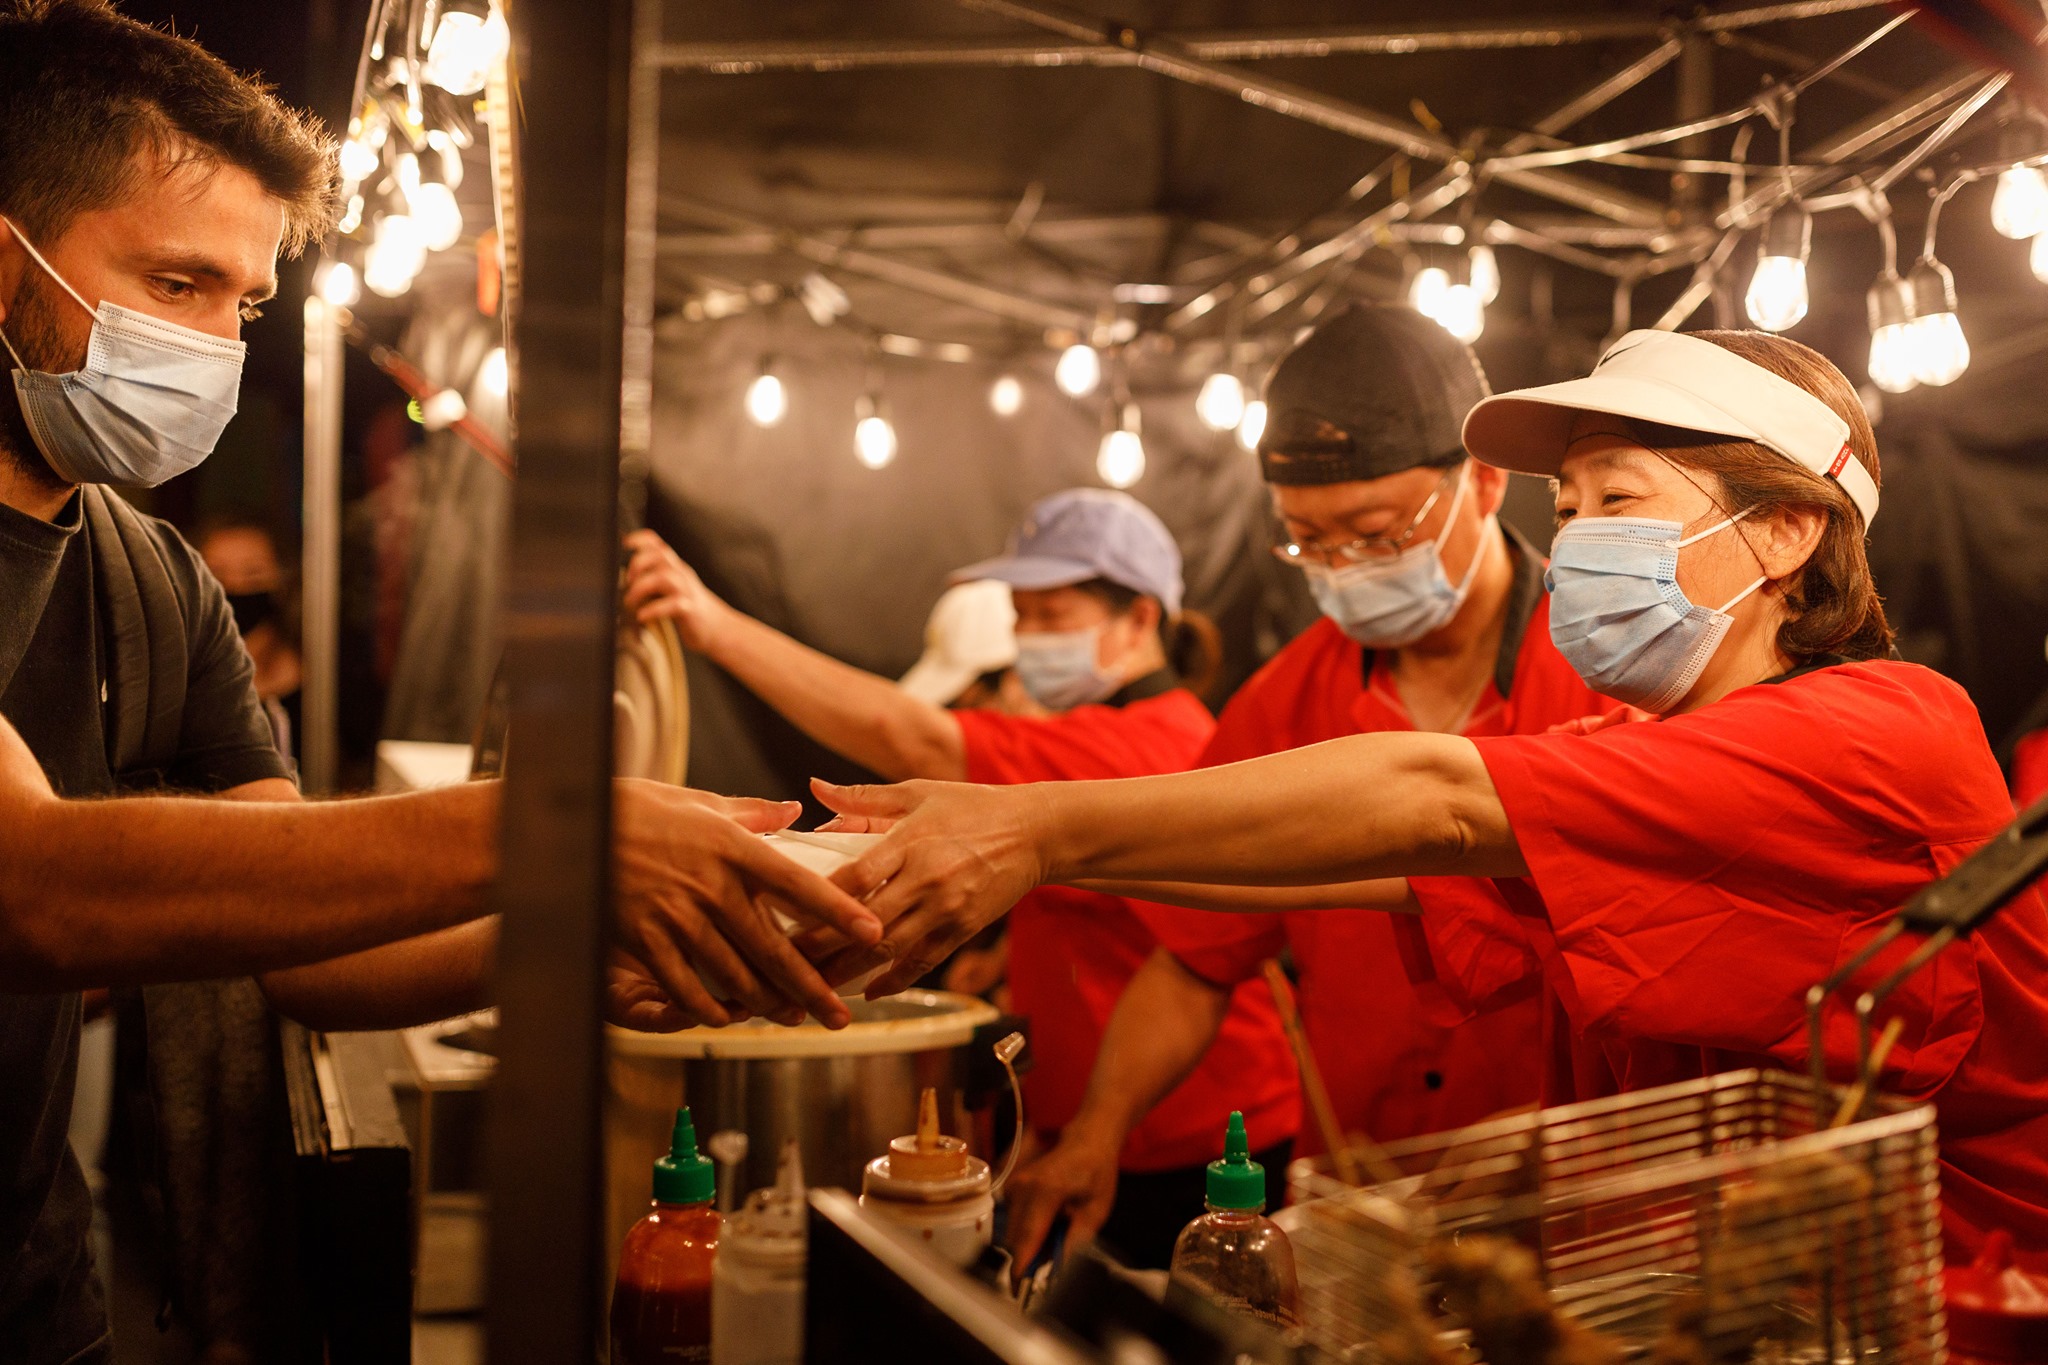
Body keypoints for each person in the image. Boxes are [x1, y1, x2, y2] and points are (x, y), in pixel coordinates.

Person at [0, 5, 876, 1359]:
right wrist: (561, 838)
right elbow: (36, 885)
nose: (215, 351)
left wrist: (593, 940)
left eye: (242, 305)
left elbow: (297, 936)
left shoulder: (152, 585)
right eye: (174, 286)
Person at [814, 329, 2048, 1270]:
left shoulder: (1881, 727)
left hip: (1958, 1301)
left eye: (1619, 501)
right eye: (1565, 511)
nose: (1574, 543)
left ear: (1784, 532)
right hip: (1733, 1292)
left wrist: (1034, 826)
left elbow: (1436, 803)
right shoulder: (1637, 741)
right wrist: (1031, 854)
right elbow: (1356, 869)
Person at [1004, 306, 1618, 1267]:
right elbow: (1196, 958)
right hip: (1357, 1204)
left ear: (1487, 484)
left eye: (1374, 534)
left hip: (1589, 1206)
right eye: (1308, 542)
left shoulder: (1612, 671)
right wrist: (1098, 1130)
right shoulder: (1286, 704)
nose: (1343, 568)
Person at [624, 491, 1300, 1268]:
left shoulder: (1141, 739)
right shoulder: (1099, 735)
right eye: (1019, 615)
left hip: (1192, 1140)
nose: (1027, 637)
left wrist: (716, 626)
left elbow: (908, 733)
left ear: (1141, 621)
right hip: (1119, 1126)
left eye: (1052, 614)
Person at [198, 515, 302, 761]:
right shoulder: (177, 686)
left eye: (253, 573)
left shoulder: (324, 678)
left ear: (282, 581)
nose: (236, 587)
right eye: (217, 575)